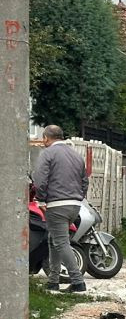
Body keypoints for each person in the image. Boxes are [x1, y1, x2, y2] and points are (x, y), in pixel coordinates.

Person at [32, 125, 89, 293]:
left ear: (46, 138)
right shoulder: (76, 155)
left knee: (61, 242)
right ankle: (53, 280)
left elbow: (40, 179)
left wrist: (41, 198)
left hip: (56, 204)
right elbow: (84, 181)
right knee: (53, 239)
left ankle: (78, 281)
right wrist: (78, 197)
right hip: (75, 205)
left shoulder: (48, 154)